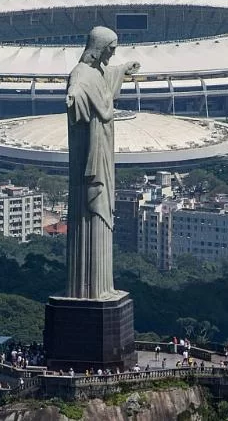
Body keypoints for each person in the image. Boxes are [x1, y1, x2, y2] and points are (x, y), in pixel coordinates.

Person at [65, 26, 140, 300]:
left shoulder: (97, 71)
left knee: (101, 218)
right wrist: (73, 97)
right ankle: (89, 290)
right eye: (111, 49)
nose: (114, 53)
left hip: (105, 149)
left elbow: (104, 77)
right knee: (90, 215)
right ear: (98, 48)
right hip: (91, 156)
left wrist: (123, 69)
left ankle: (102, 288)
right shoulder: (81, 74)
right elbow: (78, 86)